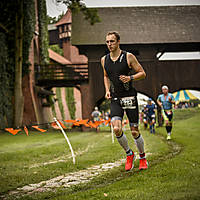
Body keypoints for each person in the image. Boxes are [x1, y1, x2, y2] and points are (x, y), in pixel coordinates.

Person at [101, 31, 148, 171]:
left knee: (134, 131)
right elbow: (105, 76)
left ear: (118, 42)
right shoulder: (104, 60)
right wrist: (107, 90)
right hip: (115, 98)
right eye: (107, 42)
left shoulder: (128, 57)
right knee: (116, 128)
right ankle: (129, 154)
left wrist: (131, 78)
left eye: (112, 41)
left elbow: (143, 73)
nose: (109, 44)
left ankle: (143, 157)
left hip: (129, 97)